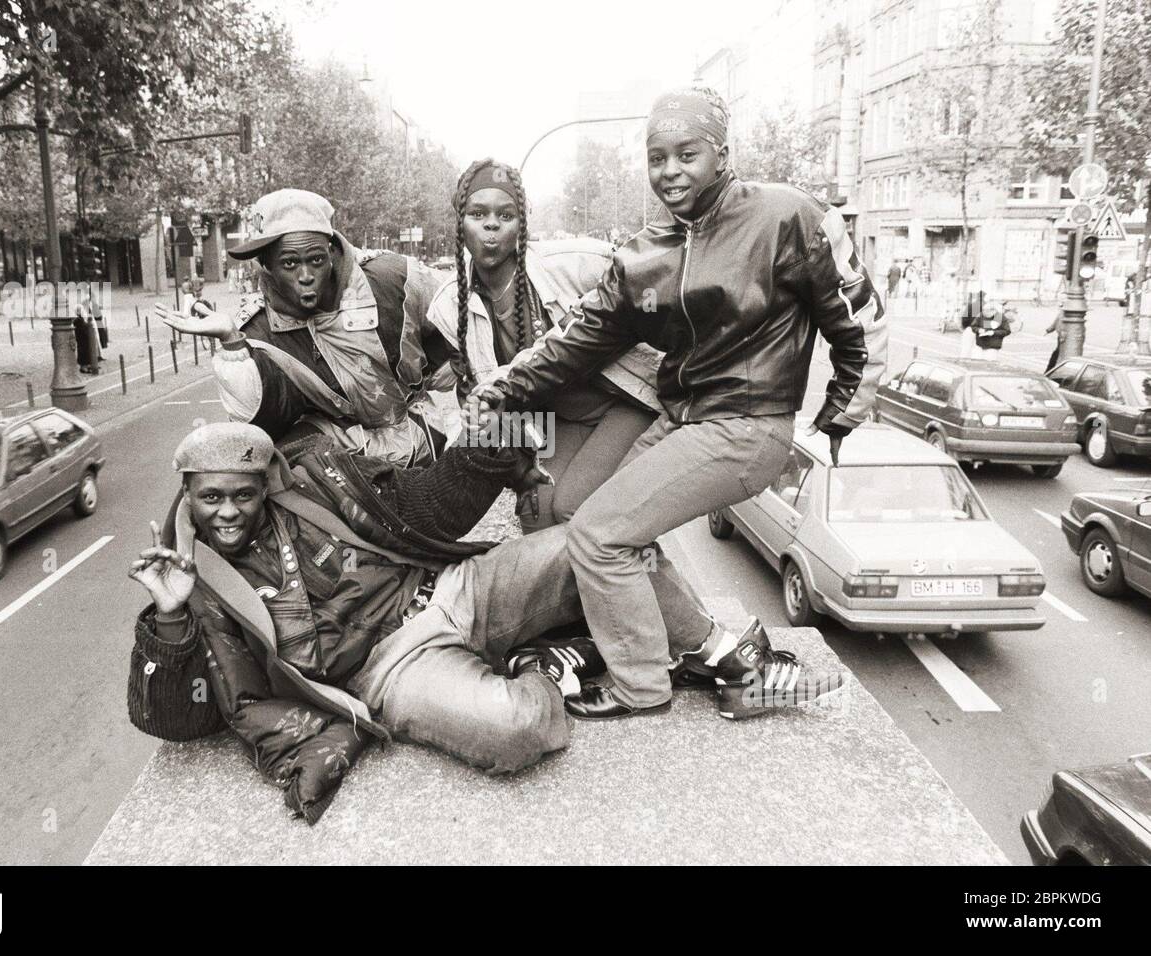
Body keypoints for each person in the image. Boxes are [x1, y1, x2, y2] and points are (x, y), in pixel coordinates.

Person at [126, 421, 844, 821]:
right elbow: (175, 722)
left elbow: (435, 488)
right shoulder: (189, 582)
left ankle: (723, 658)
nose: (228, 512)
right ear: (188, 494)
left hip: (451, 589)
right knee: (517, 733)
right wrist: (168, 619)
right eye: (211, 498)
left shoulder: (318, 487)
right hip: (391, 670)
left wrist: (507, 426)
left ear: (265, 485)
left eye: (242, 495)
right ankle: (548, 670)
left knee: (598, 540)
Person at [465, 85, 886, 720]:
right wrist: (503, 385)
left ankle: (641, 685)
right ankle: (727, 657)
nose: (669, 171)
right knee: (584, 512)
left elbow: (856, 313)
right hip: (684, 419)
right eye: (657, 158)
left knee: (601, 536)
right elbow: (577, 339)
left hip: (747, 425)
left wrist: (845, 403)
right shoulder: (647, 253)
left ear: (722, 152)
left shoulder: (786, 215)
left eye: (686, 154)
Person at [427, 158, 660, 532]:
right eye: (477, 213)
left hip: (625, 403)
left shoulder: (574, 262)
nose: (491, 225)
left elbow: (651, 279)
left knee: (574, 510)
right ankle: (571, 591)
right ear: (459, 222)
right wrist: (519, 470)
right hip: (557, 422)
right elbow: (479, 403)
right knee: (536, 514)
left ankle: (636, 583)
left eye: (506, 215)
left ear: (522, 224)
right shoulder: (447, 306)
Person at [158, 189, 452, 467]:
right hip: (343, 465)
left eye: (316, 260)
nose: (306, 275)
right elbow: (258, 425)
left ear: (332, 251)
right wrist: (232, 343)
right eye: (289, 263)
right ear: (266, 265)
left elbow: (470, 324)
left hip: (424, 438)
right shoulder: (259, 332)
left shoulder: (392, 278)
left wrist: (484, 420)